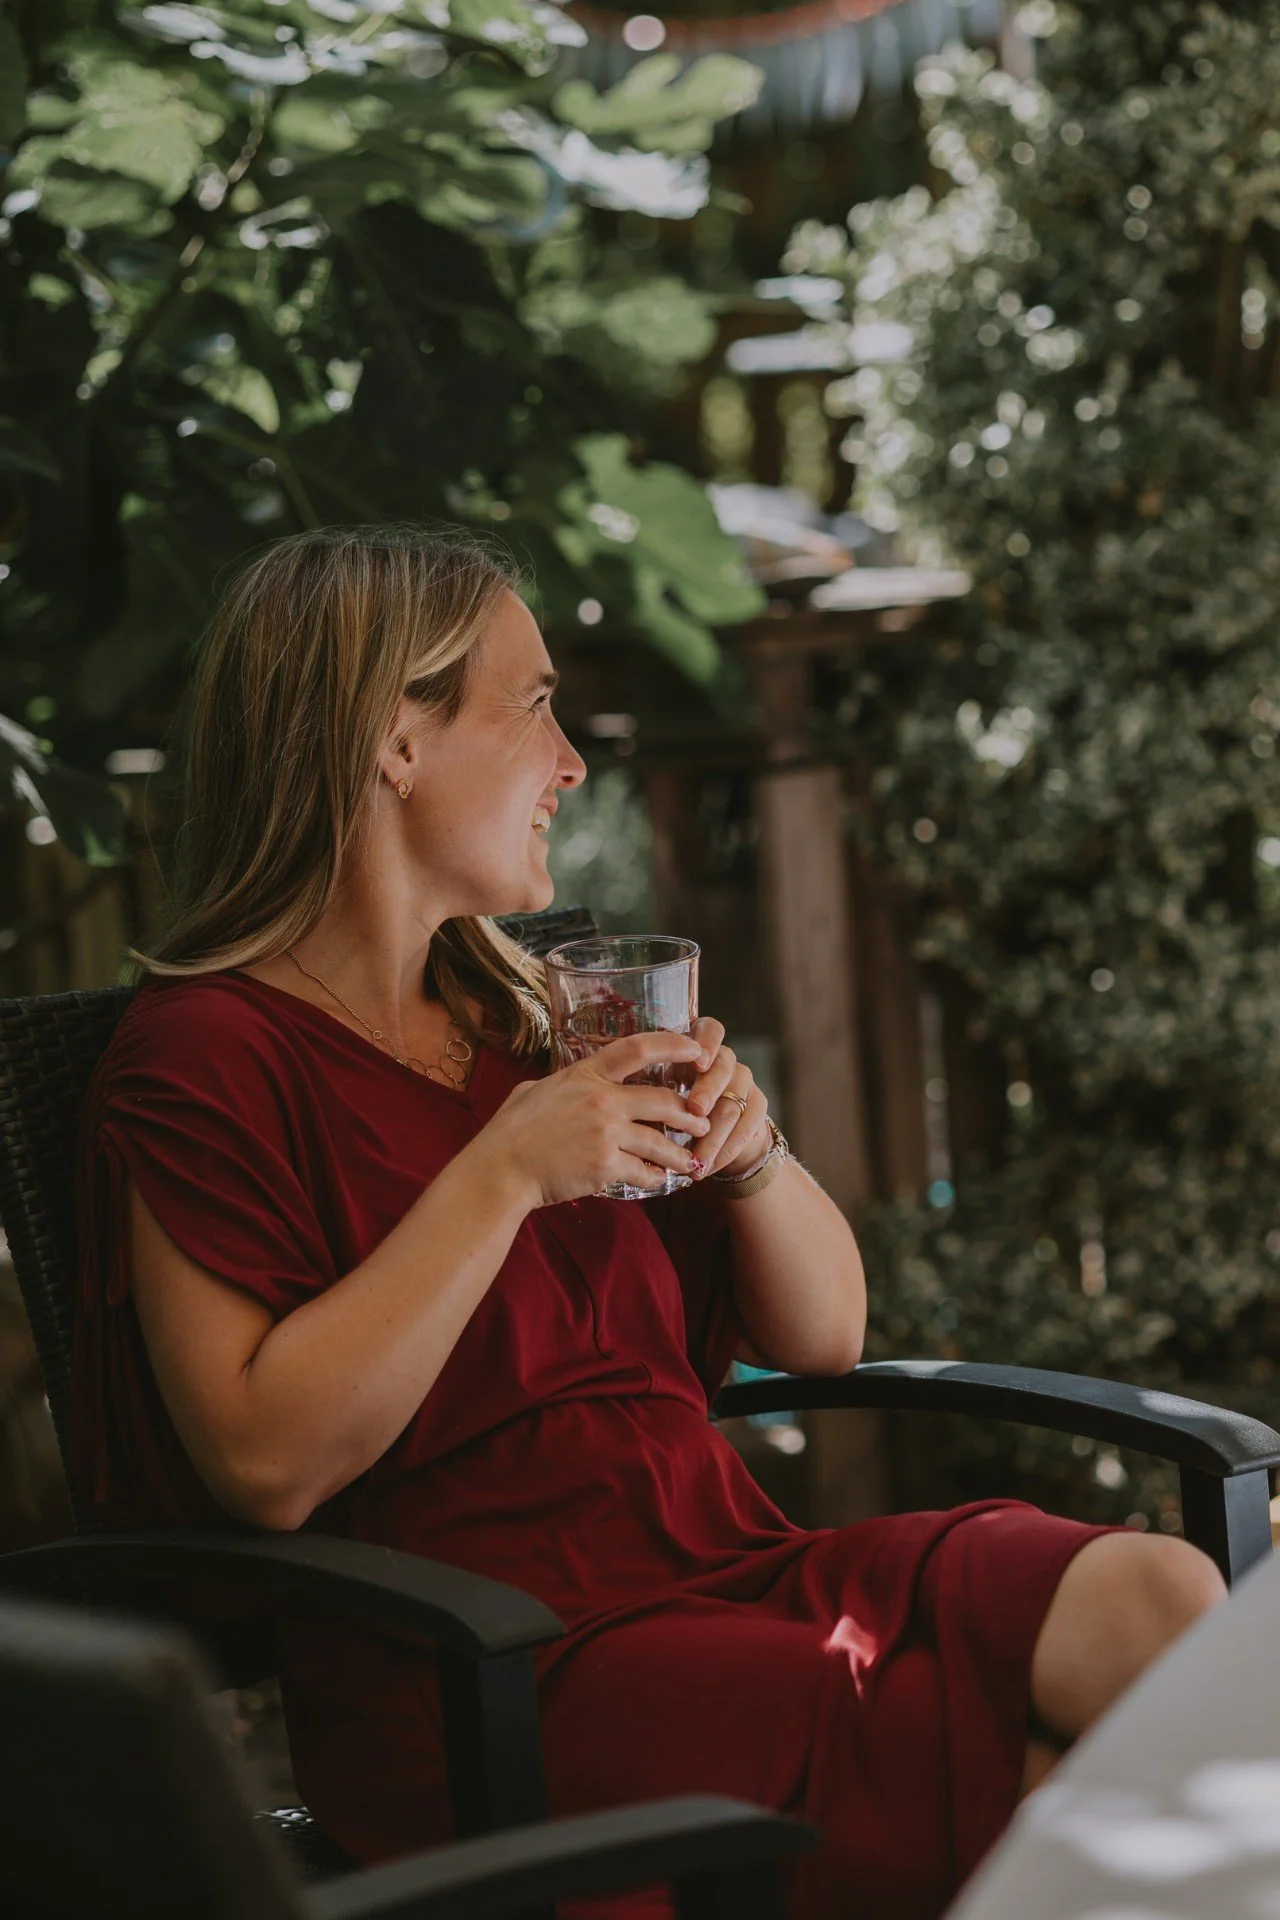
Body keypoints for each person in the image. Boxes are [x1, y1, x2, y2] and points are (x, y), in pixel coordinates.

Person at [72, 526, 1225, 1920]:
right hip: (497, 1669)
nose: (569, 764)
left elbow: (826, 1334)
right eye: (536, 704)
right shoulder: (205, 1053)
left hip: (731, 1569)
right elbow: (263, 1464)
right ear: (394, 740)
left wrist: (750, 1155)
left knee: (1161, 1599)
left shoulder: (537, 1018)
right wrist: (501, 1175)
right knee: (1061, 1796)